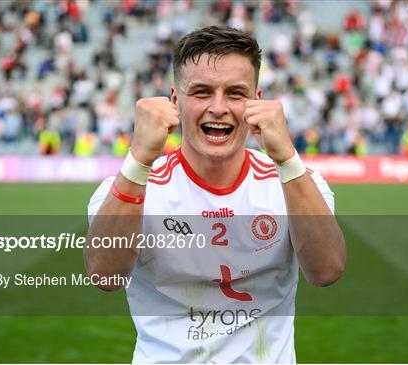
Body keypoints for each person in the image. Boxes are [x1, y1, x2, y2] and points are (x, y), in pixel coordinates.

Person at [86, 26, 345, 363]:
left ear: (257, 101)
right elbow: (105, 277)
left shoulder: (296, 183)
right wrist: (138, 160)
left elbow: (326, 272)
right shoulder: (128, 187)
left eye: (236, 93)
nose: (219, 107)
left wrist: (287, 158)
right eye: (202, 92)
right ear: (175, 101)